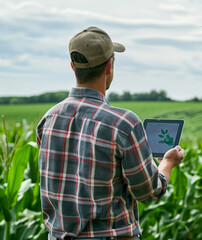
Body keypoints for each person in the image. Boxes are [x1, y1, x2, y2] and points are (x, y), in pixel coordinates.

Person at [36, 26, 184, 240]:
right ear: (109, 66)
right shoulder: (124, 123)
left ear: (72, 66)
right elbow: (148, 192)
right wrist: (168, 163)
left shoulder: (48, 119)